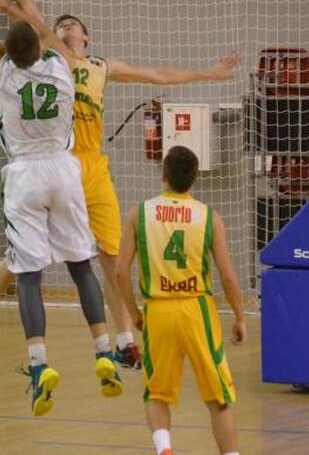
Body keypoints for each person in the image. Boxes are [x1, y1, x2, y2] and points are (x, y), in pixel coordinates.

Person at [0, 0, 239, 371]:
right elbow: (27, 7)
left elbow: (160, 74)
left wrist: (207, 74)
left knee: (108, 257)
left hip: (86, 169)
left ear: (87, 36)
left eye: (73, 24)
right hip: (63, 166)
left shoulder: (101, 67)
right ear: (50, 39)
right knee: (21, 261)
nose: (65, 27)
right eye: (59, 25)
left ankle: (124, 342)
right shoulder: (56, 62)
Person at [0, 0, 121, 415]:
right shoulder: (64, 63)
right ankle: (104, 352)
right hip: (65, 171)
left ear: (7, 50)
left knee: (28, 273)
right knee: (80, 265)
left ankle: (39, 364)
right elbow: (28, 4)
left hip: (25, 174)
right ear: (43, 43)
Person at [116, 145, 244, 455]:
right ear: (194, 179)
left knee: (157, 393)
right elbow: (228, 276)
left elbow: (119, 273)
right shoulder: (209, 217)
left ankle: (165, 449)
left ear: (163, 175)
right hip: (197, 310)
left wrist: (134, 313)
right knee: (218, 397)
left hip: (158, 310)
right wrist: (240, 317)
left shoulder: (138, 214)